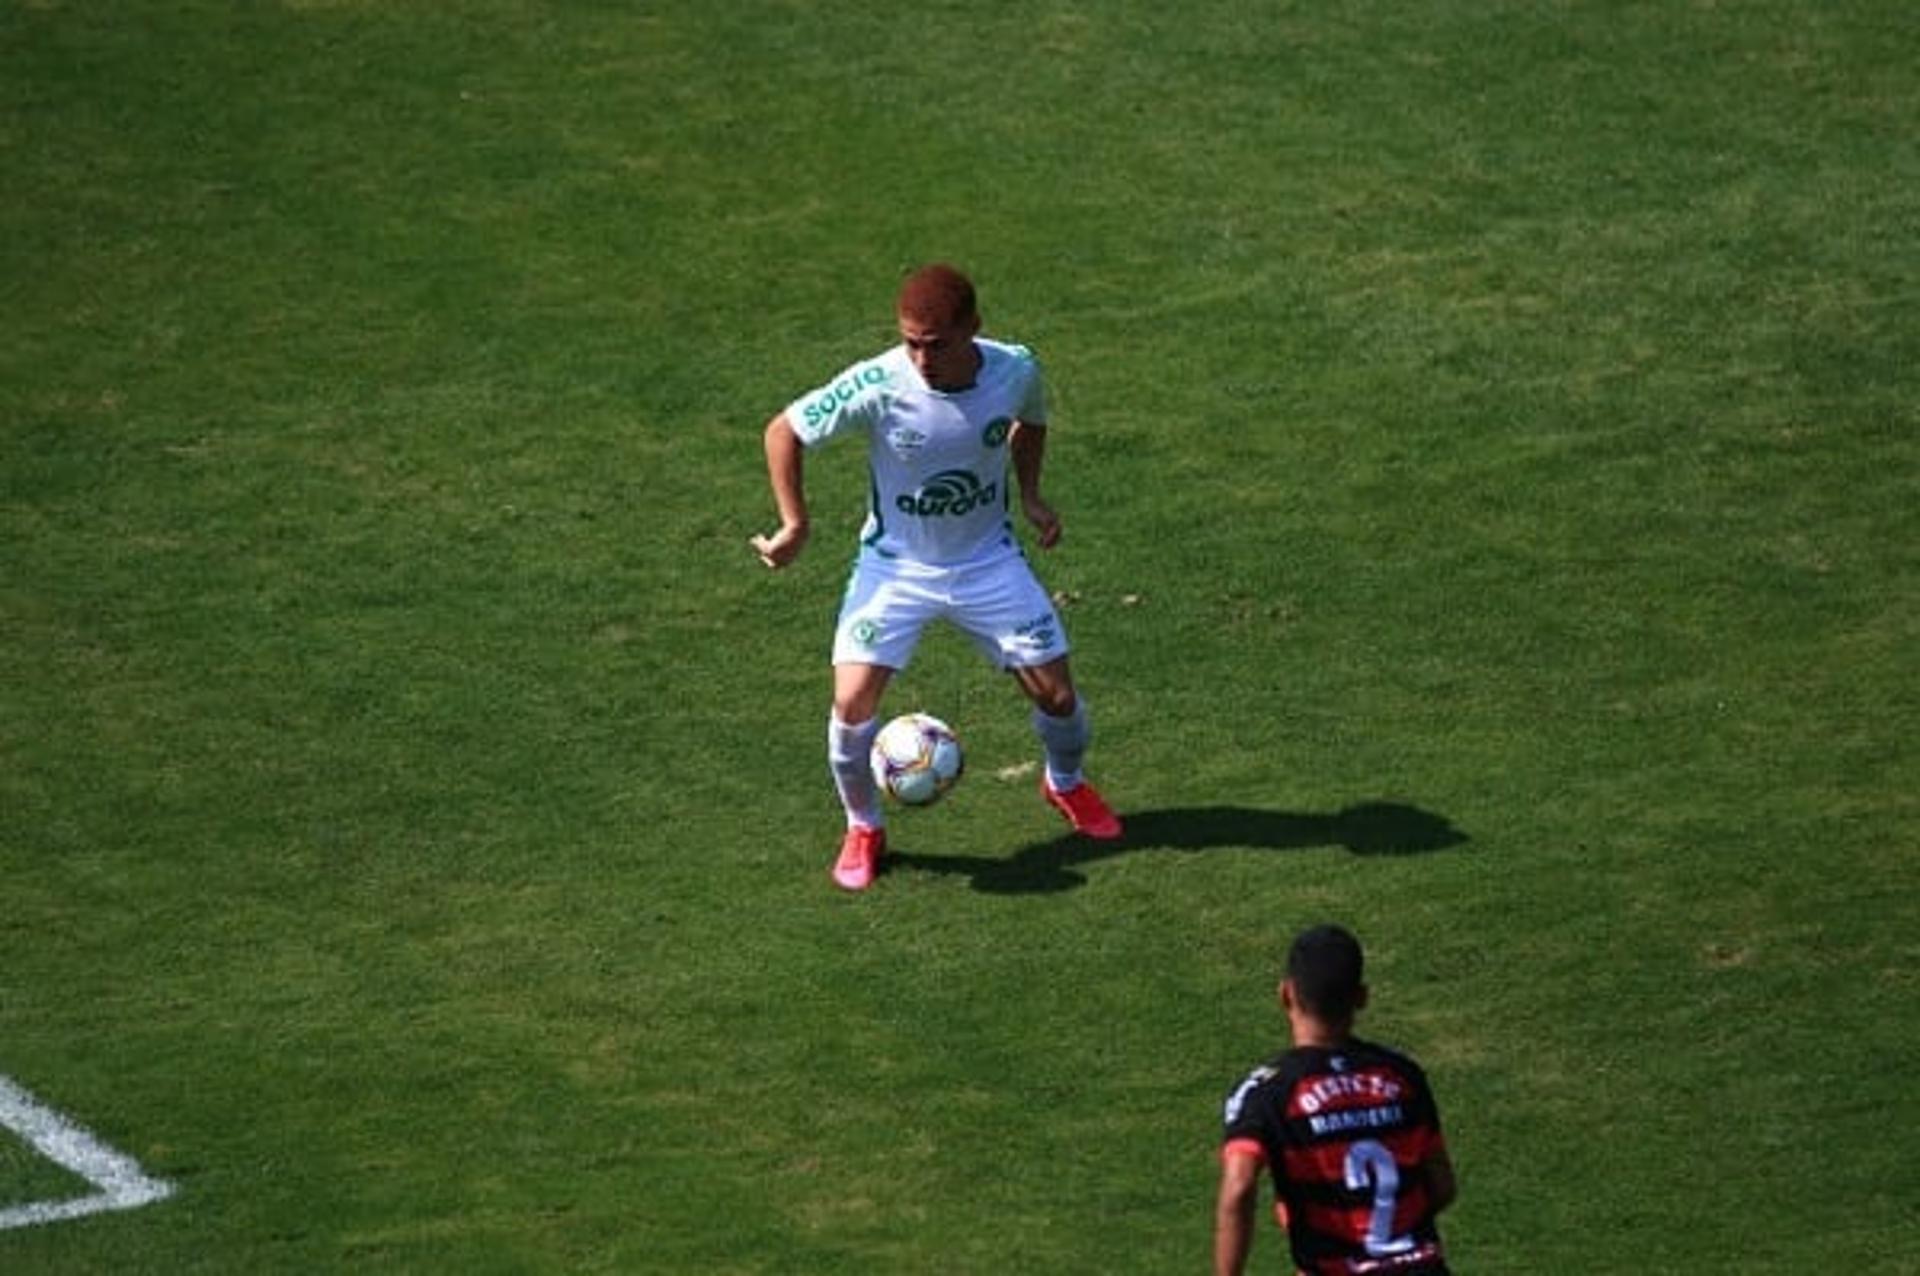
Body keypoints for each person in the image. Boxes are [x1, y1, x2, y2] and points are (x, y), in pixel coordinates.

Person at [749, 263, 1123, 891]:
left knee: (1057, 696)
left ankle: (1065, 783)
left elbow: (1030, 421)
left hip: (987, 563)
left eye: (937, 342)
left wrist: (1030, 494)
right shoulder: (879, 382)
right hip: (895, 570)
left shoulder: (1014, 369)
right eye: (910, 341)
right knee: (850, 703)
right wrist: (795, 524)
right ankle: (864, 825)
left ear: (973, 328)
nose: (921, 356)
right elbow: (784, 430)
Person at [1215, 925, 1457, 1275]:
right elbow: (1442, 1185)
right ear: (1361, 997)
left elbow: (1238, 1188)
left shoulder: (1266, 1092)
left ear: (1286, 994)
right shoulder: (1402, 1075)